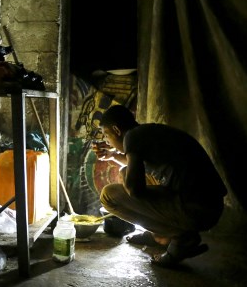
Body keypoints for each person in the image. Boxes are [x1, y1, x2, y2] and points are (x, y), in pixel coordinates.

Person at [92, 105, 227, 267]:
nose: (108, 142)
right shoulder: (145, 133)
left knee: (108, 195)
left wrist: (124, 160)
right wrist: (113, 155)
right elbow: (137, 166)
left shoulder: (132, 137)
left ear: (116, 129)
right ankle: (158, 234)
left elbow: (135, 190)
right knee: (126, 172)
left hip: (197, 209)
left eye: (107, 136)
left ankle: (180, 239)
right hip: (209, 205)